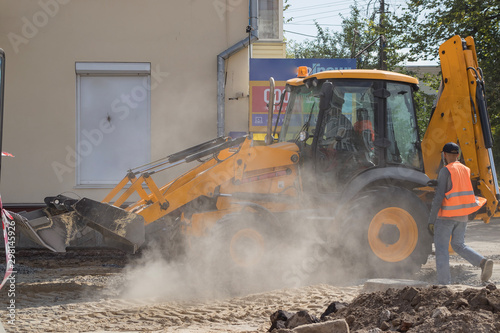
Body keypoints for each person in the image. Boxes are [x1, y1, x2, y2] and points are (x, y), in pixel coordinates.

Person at [428, 142, 493, 285]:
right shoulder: (465, 169)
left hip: (446, 216)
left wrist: (431, 220)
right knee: (458, 245)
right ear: (458, 155)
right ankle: (482, 262)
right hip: (462, 216)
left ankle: (444, 284)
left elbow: (439, 197)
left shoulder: (445, 171)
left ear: (444, 155)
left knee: (442, 250)